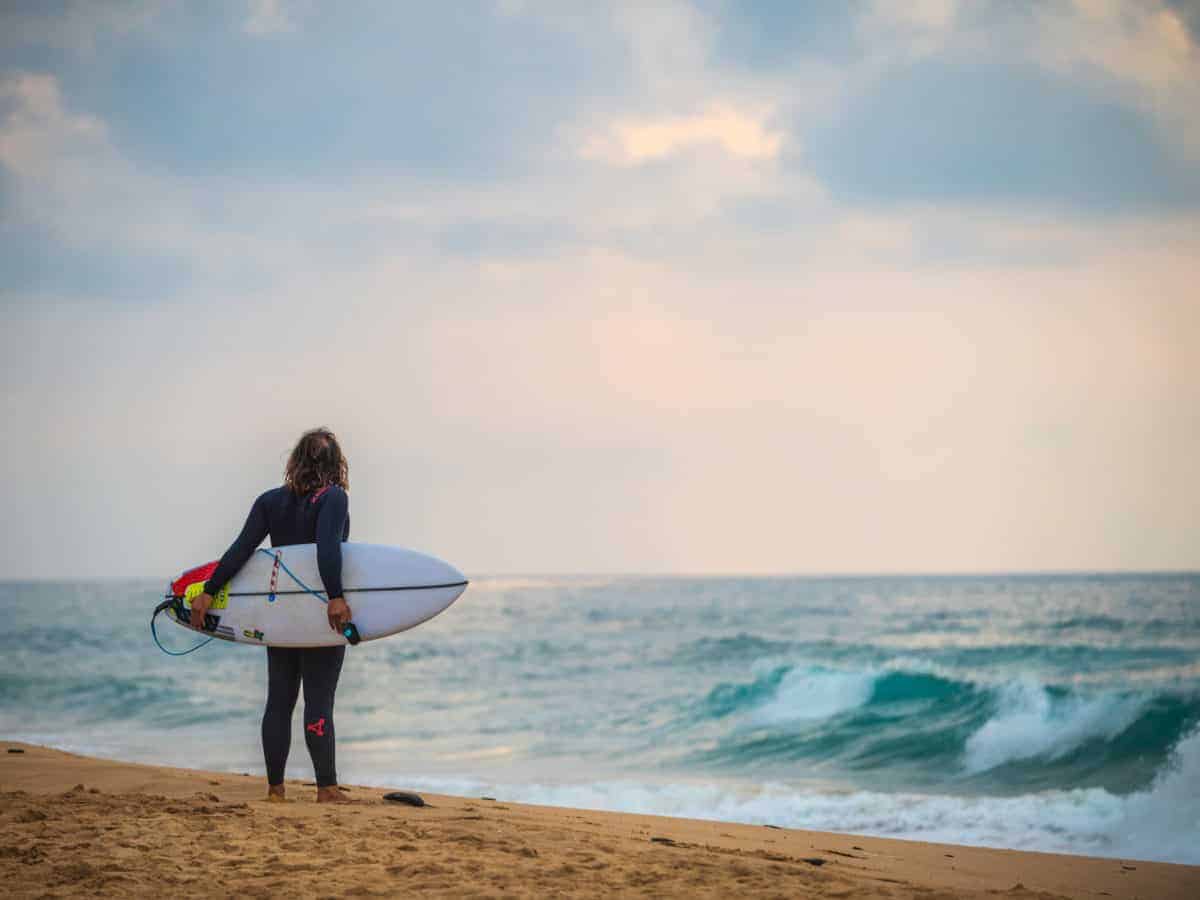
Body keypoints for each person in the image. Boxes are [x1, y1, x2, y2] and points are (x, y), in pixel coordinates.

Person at [189, 427, 353, 803]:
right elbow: (327, 550)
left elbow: (241, 549)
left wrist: (209, 592)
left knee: (279, 701)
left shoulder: (269, 502)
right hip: (316, 615)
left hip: (280, 615)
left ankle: (275, 790)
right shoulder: (334, 498)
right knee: (318, 701)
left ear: (295, 460)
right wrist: (336, 597)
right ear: (335, 464)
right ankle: (326, 788)